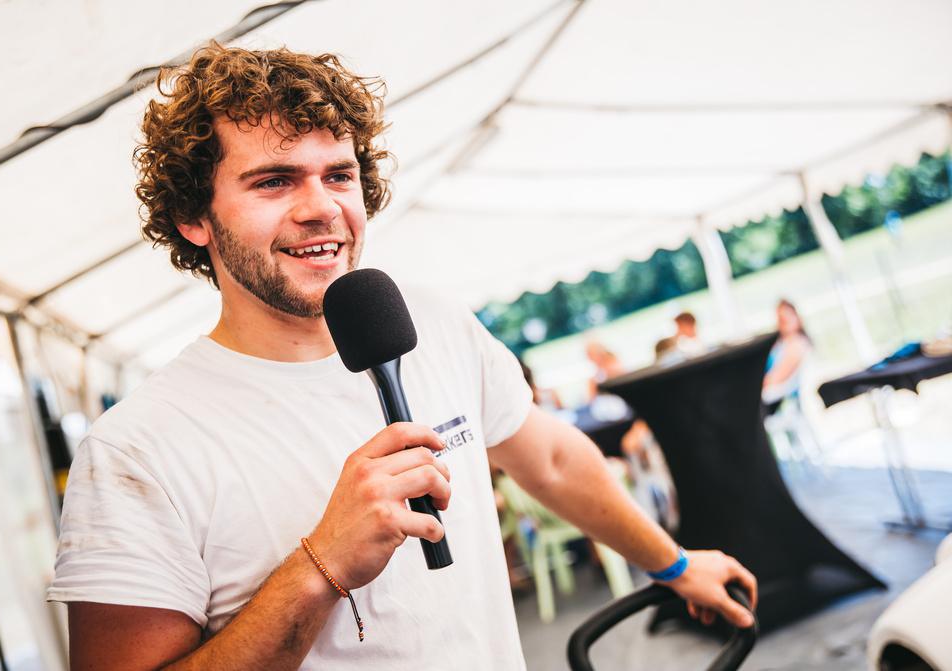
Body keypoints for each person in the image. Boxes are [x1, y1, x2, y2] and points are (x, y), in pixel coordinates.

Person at [47, 43, 757, 670]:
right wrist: (321, 564)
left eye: (339, 175)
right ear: (192, 216)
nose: (321, 207)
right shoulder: (136, 450)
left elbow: (549, 459)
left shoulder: (433, 322)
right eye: (274, 181)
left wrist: (673, 562)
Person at [763, 299, 812, 414]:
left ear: (797, 318)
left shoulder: (798, 344)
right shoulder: (780, 344)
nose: (784, 323)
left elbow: (778, 378)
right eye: (781, 319)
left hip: (785, 403)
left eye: (787, 318)